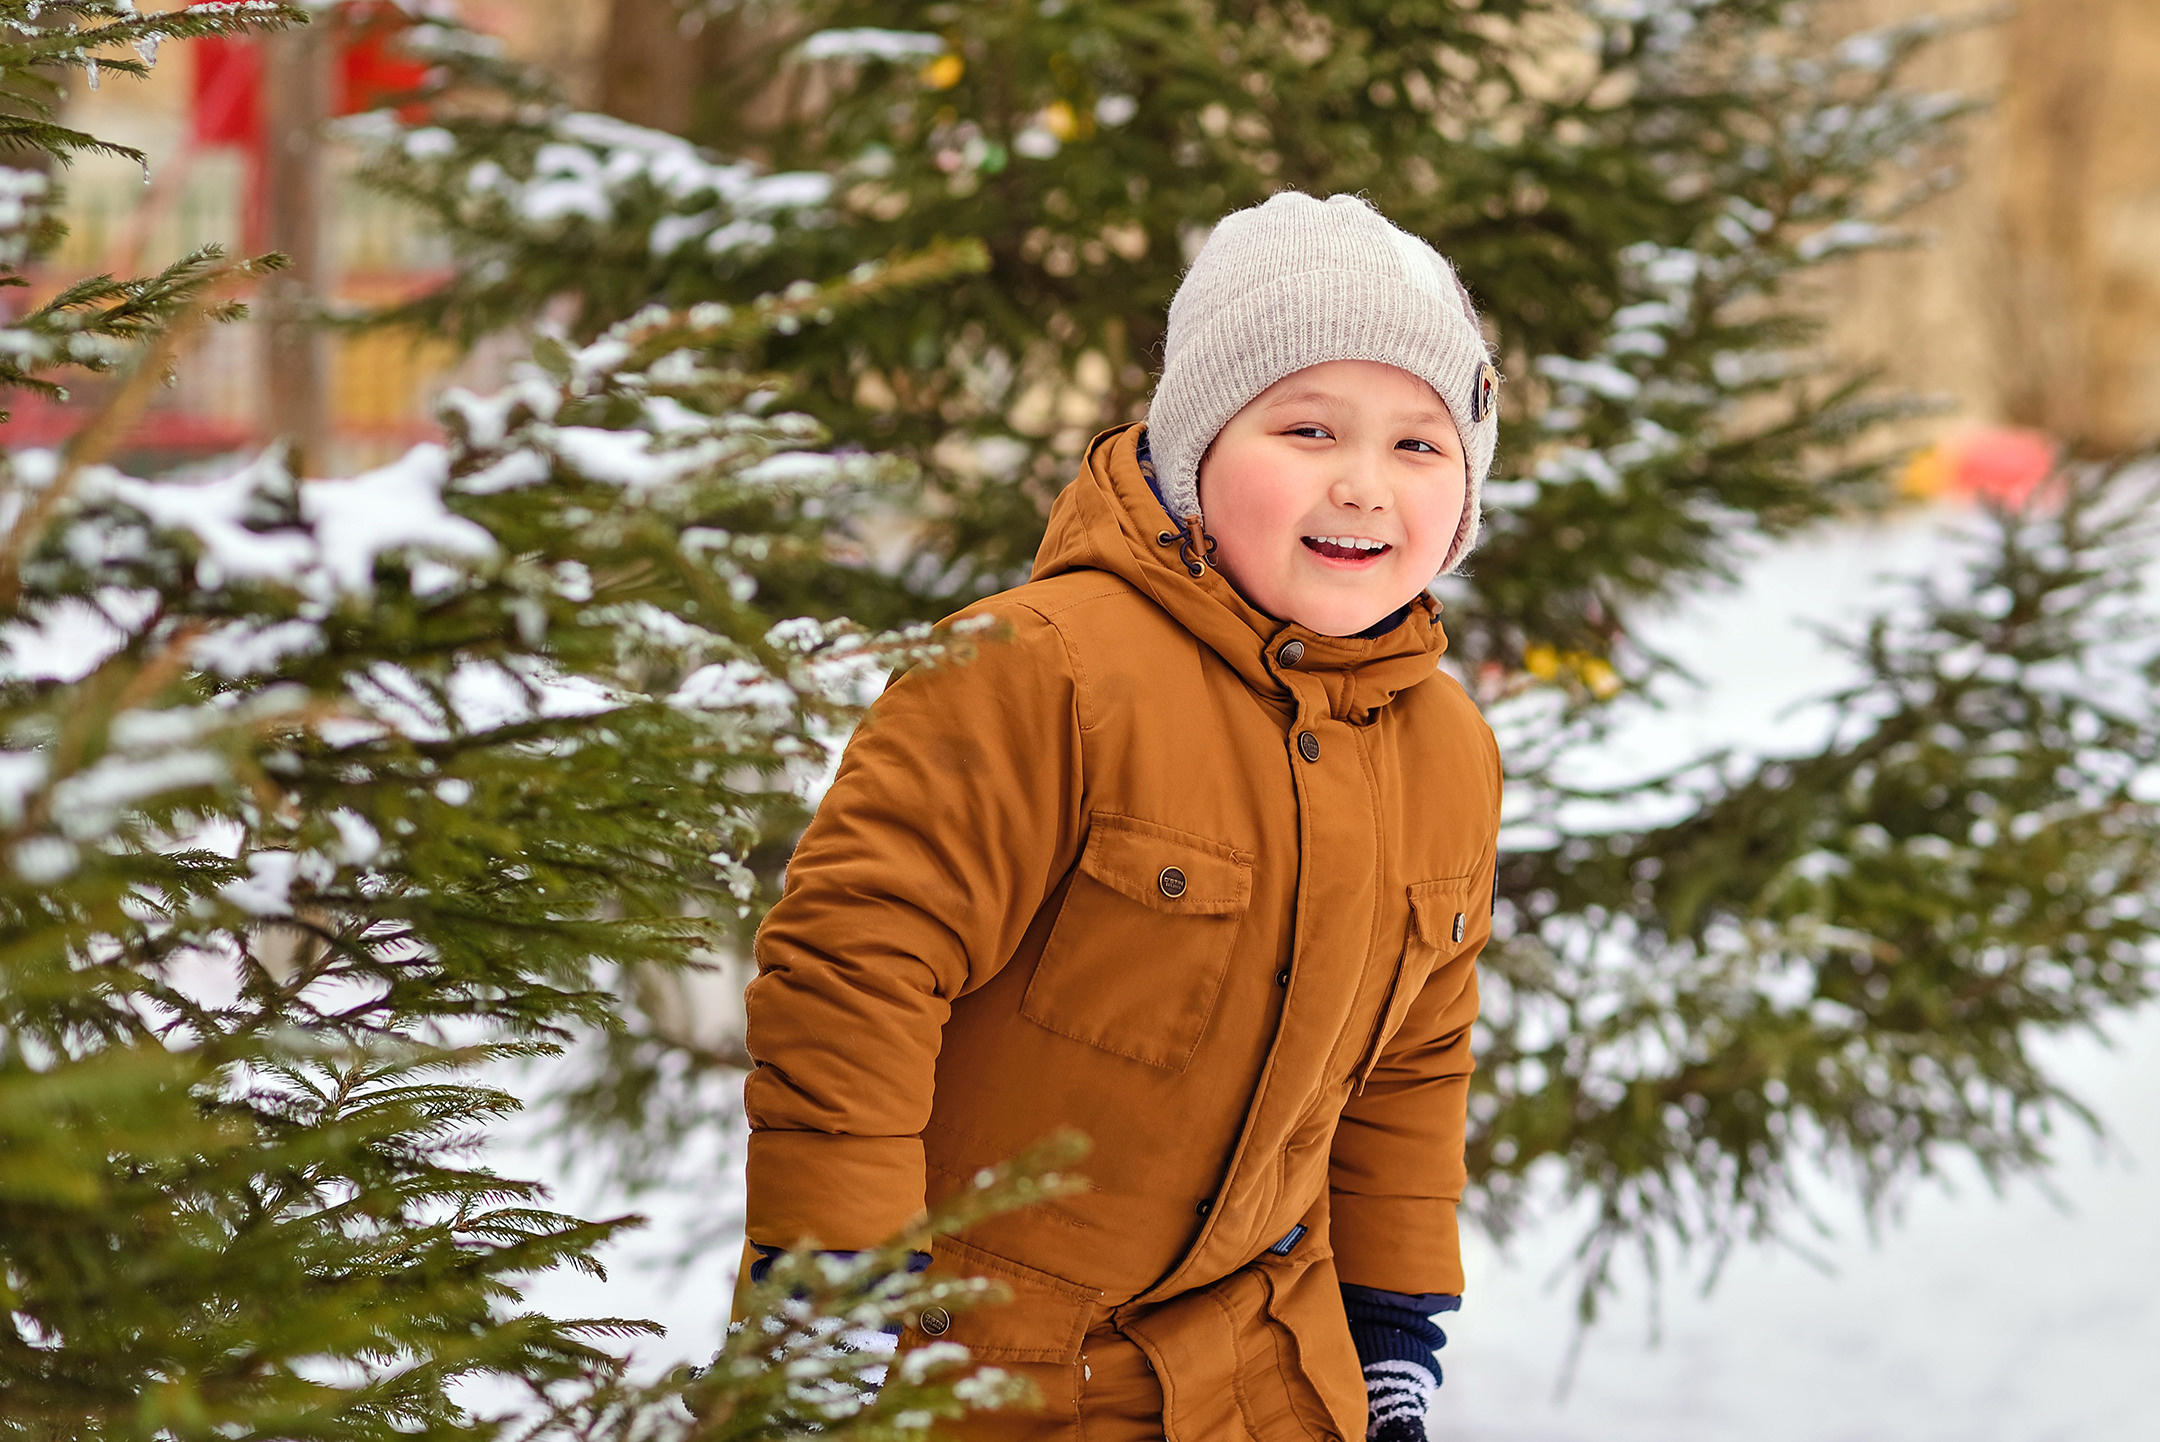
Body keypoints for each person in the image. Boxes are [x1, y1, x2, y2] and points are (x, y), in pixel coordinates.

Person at [741, 191, 1503, 1442]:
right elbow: (857, 963)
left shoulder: (1447, 748)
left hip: (1268, 1372)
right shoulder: (1040, 670)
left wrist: (1389, 1335)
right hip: (975, 1372)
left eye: (1421, 445)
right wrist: (828, 1312)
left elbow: (1414, 1060)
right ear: (1191, 448)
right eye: (1308, 426)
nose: (1365, 484)